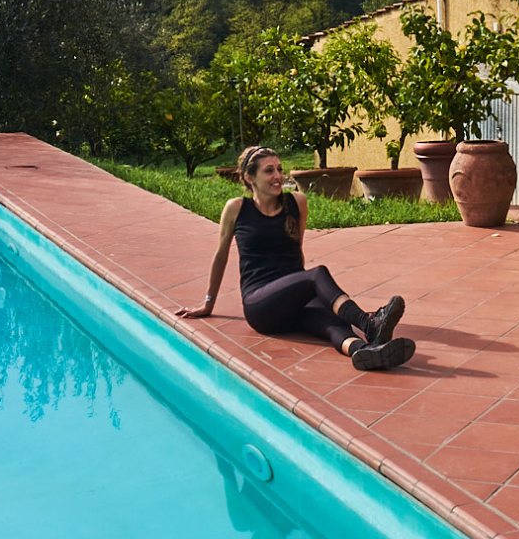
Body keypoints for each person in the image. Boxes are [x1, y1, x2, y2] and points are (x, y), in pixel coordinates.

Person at [178, 145, 415, 370]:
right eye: (269, 171)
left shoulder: (296, 203)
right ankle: (368, 323)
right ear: (250, 178)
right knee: (316, 275)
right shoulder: (237, 208)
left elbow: (296, 249)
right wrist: (208, 303)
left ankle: (364, 351)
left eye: (279, 169)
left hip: (291, 297)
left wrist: (307, 295)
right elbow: (221, 256)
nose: (277, 176)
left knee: (333, 319)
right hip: (260, 304)